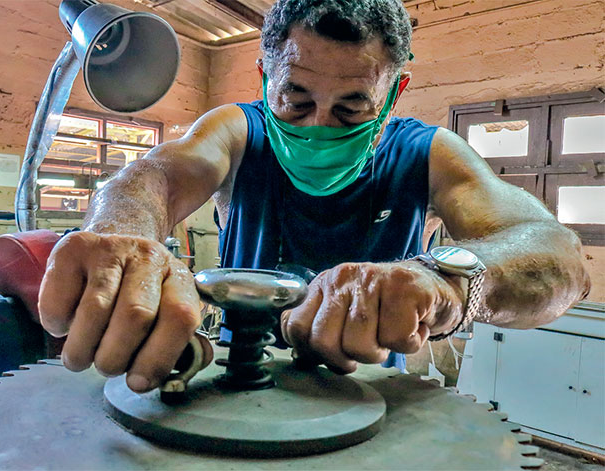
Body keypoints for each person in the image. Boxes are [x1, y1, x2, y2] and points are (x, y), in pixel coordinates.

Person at [37, 0, 590, 392]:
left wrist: (443, 284)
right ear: (263, 77)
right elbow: (152, 176)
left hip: (370, 386)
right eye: (294, 101)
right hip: (232, 375)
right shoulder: (236, 130)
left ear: (394, 92)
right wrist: (124, 240)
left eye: (351, 109)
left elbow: (557, 257)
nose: (320, 126)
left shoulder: (427, 153)